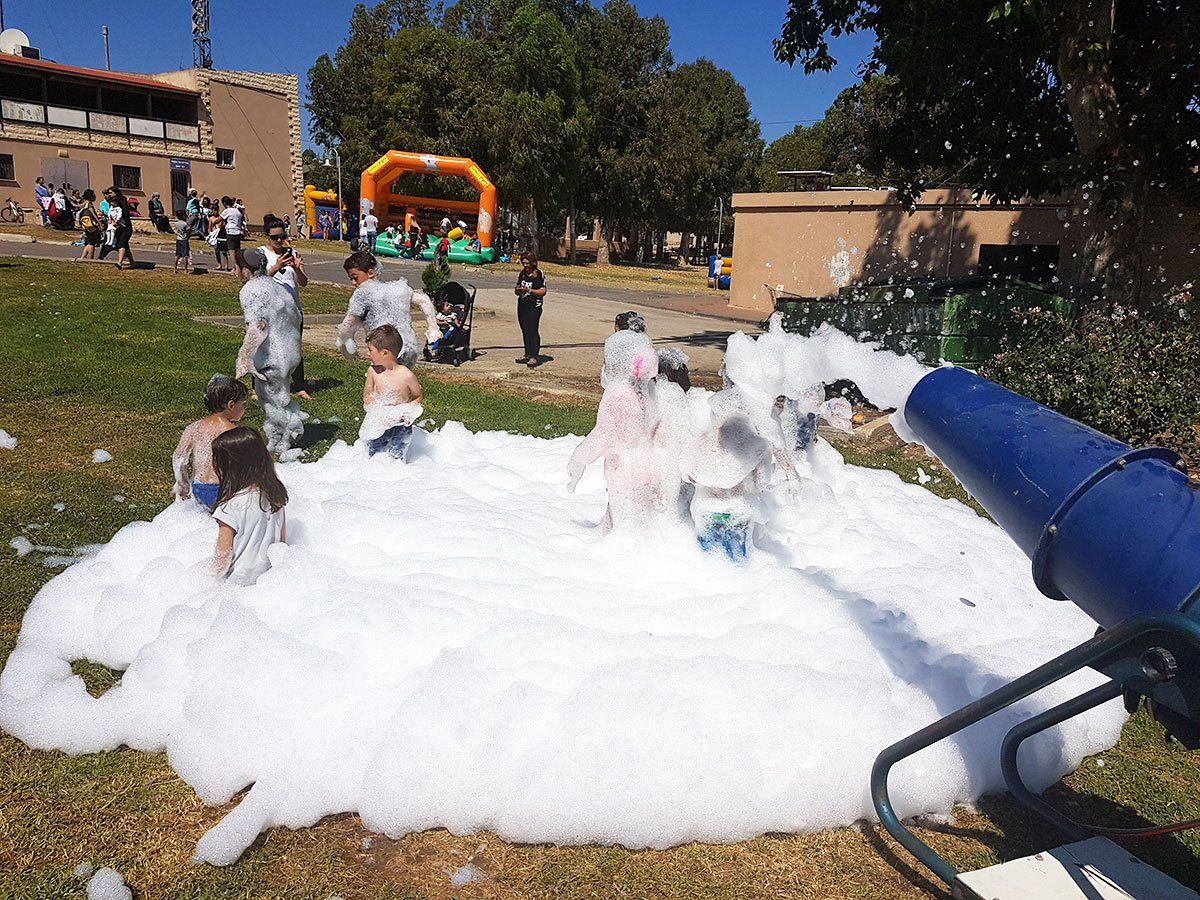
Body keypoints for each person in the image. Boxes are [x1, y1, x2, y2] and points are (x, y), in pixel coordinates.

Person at [211, 426, 288, 585]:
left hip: (237, 584)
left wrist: (204, 580)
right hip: (269, 580)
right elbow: (281, 545)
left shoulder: (229, 508)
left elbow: (222, 560)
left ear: (231, 468)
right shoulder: (276, 497)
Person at [338, 250, 441, 367]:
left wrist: (345, 340)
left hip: (382, 349)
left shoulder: (362, 293)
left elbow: (350, 321)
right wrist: (433, 328)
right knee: (403, 379)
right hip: (408, 346)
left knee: (381, 380)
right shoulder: (397, 288)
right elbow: (424, 300)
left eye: (355, 277)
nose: (353, 282)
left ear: (370, 273)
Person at [172, 375, 249, 509]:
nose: (245, 408)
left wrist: (183, 486)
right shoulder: (233, 433)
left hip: (199, 488)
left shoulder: (193, 428)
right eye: (244, 404)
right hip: (225, 490)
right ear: (231, 405)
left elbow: (178, 459)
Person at [258, 216, 311, 399]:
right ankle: (262, 385)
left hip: (292, 309)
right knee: (267, 348)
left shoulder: (292, 252)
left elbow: (303, 283)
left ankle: (299, 386)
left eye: (282, 236)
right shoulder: (261, 254)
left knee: (294, 347)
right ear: (267, 236)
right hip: (271, 310)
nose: (280, 241)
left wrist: (296, 268)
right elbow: (256, 282)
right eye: (275, 237)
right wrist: (276, 267)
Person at [361, 324, 422, 460]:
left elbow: (417, 396)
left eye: (370, 350)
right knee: (375, 454)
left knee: (397, 455)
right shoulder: (372, 371)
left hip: (400, 423)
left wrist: (408, 412)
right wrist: (373, 406)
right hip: (380, 421)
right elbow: (367, 393)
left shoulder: (406, 375)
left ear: (384, 353)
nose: (367, 354)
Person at [514, 251, 547, 367]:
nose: (525, 266)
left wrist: (529, 291)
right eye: (524, 263)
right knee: (525, 330)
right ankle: (527, 354)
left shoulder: (539, 274)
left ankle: (534, 356)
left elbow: (543, 291)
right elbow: (516, 289)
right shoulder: (522, 274)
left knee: (533, 330)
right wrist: (518, 290)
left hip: (534, 306)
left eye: (527, 263)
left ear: (533, 263)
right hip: (523, 305)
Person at [98, 187, 135, 270]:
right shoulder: (112, 202)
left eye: (111, 192)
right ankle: (132, 263)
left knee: (121, 244)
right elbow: (110, 212)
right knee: (125, 245)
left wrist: (118, 220)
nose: (109, 194)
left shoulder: (121, 200)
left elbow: (125, 213)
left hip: (125, 227)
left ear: (116, 192)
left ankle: (119, 263)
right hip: (117, 227)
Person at [220, 196, 246, 277]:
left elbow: (219, 219)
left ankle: (235, 268)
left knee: (231, 251)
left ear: (224, 203)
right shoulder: (237, 211)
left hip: (230, 232)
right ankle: (239, 267)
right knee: (237, 250)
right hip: (238, 231)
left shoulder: (227, 211)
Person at [77, 190, 105, 260]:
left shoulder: (83, 204)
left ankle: (83, 257)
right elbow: (93, 215)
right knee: (93, 243)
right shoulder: (89, 204)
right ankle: (90, 258)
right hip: (92, 225)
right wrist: (99, 223)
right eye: (93, 195)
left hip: (86, 225)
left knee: (89, 242)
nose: (95, 196)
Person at [209, 203, 229, 272]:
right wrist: (210, 234)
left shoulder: (221, 218)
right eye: (214, 210)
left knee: (224, 251)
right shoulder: (211, 218)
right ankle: (219, 264)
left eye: (216, 210)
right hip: (215, 236)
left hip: (221, 235)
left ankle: (226, 264)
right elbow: (210, 227)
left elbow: (223, 225)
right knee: (217, 251)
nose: (215, 212)